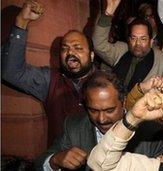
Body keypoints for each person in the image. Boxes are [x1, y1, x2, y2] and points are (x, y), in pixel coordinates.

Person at [1, 0, 96, 145]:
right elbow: (11, 72)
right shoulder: (49, 79)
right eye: (65, 48)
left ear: (91, 55)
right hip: (59, 163)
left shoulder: (105, 80)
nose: (70, 52)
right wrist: (22, 21)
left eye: (78, 48)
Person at [34, 70, 163, 170]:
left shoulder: (152, 133)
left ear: (124, 101)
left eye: (109, 110)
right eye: (93, 110)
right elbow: (39, 165)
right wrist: (55, 160)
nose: (101, 119)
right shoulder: (73, 126)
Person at [93, 0, 163, 91]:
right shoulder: (122, 50)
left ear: (151, 42)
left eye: (143, 39)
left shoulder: (158, 57)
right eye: (134, 38)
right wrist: (108, 13)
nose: (138, 43)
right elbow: (98, 44)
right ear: (129, 40)